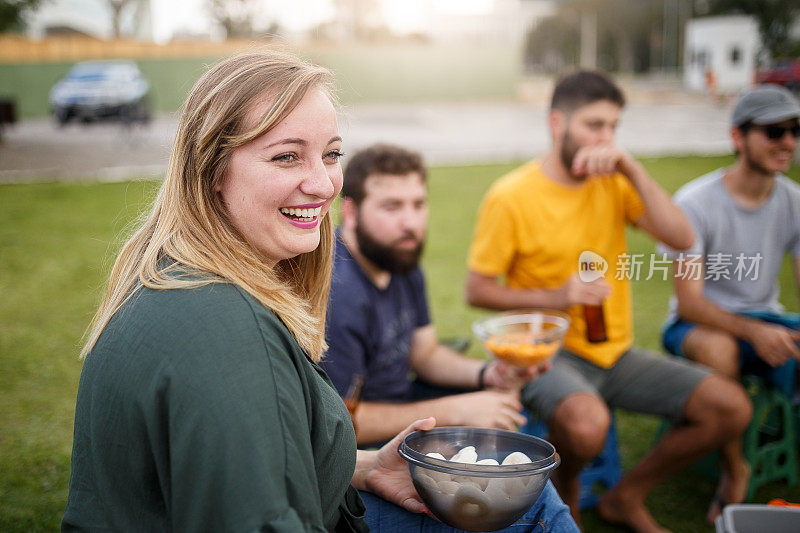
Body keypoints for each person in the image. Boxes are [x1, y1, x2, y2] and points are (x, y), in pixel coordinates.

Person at [62, 50, 576, 533]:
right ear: (211, 170)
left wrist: (364, 466)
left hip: (344, 490)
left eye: (331, 154)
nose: (324, 183)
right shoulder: (230, 336)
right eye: (287, 157)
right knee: (535, 511)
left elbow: (254, 458)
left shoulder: (175, 279)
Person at [464, 69, 752, 533]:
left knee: (730, 406)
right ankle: (567, 496)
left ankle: (626, 496)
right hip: (546, 353)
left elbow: (682, 238)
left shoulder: (614, 182)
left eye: (613, 127)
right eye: (593, 125)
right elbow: (476, 290)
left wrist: (631, 168)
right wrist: (560, 295)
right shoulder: (511, 195)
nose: (606, 139)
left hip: (615, 352)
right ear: (557, 123)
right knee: (585, 423)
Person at [322, 143, 545, 448]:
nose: (411, 224)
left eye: (418, 204)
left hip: (405, 404)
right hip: (361, 453)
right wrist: (457, 411)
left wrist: (489, 374)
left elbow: (424, 353)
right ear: (350, 211)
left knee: (502, 419)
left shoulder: (398, 257)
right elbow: (340, 423)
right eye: (392, 206)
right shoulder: (338, 291)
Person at [660, 84, 800, 522]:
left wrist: (767, 327)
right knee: (720, 348)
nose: (789, 142)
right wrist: (756, 331)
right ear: (738, 137)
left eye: (796, 130)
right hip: (697, 324)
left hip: (766, 316)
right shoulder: (695, 201)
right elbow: (690, 303)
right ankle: (734, 466)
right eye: (774, 131)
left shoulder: (795, 200)